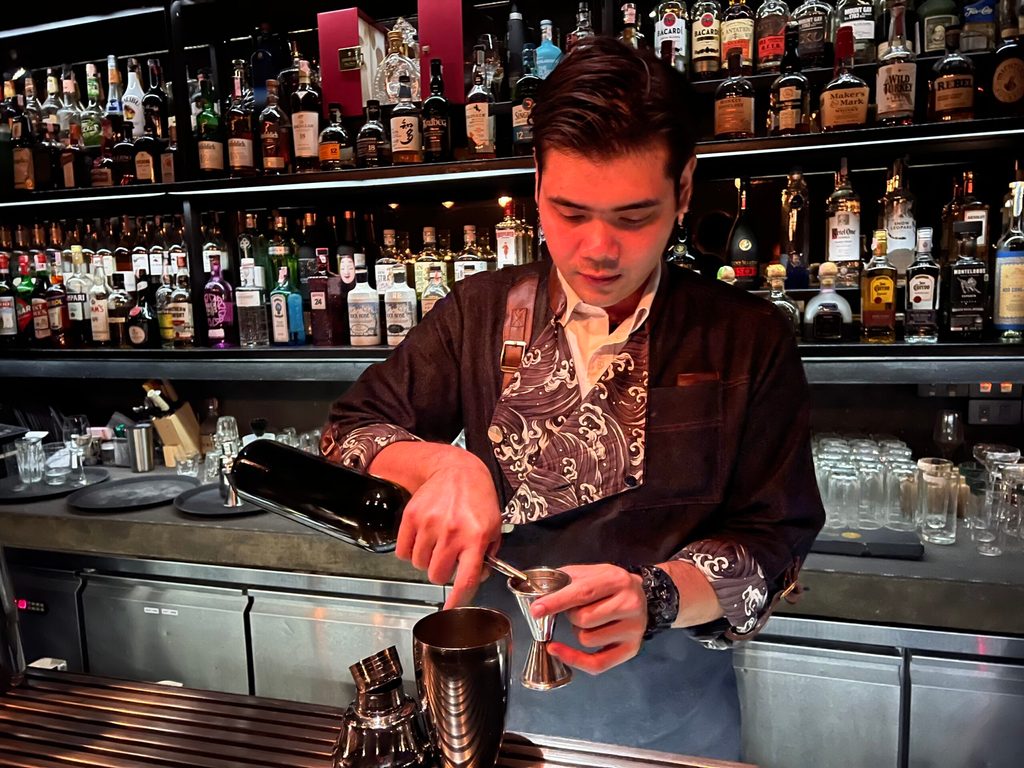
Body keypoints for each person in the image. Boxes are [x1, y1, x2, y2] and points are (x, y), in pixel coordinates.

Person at [322, 37, 824, 762]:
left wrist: (659, 594)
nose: (597, 250)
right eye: (569, 211)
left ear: (684, 189)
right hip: (486, 711)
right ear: (535, 182)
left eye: (633, 216)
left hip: (671, 720)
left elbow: (775, 540)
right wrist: (438, 466)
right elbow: (349, 432)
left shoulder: (746, 338)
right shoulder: (479, 313)